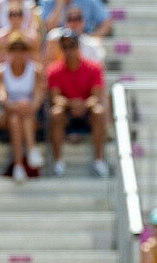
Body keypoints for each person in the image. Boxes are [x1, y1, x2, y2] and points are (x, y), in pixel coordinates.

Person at [47, 29, 108, 178]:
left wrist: (82, 105)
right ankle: (58, 162)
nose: (69, 50)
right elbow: (55, 98)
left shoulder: (94, 68)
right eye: (65, 47)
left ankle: (98, 160)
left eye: (72, 46)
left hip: (87, 111)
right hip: (67, 112)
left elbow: (96, 96)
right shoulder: (54, 70)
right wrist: (72, 105)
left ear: (78, 46)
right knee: (56, 113)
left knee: (99, 112)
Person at [0, 32, 45, 182]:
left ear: (27, 52)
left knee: (17, 119)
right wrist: (18, 105)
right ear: (9, 52)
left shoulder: (35, 71)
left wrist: (26, 106)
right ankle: (31, 149)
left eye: (22, 49)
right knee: (17, 115)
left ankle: (18, 165)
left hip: (27, 115)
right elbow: (2, 96)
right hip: (5, 115)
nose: (18, 53)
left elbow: (38, 98)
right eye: (14, 49)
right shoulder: (1, 71)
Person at [0, 1, 40, 67]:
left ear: (23, 17)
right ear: (8, 17)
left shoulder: (32, 39)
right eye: (12, 14)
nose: (15, 18)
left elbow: (36, 61)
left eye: (19, 14)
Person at [42, 0, 112, 36]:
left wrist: (94, 38)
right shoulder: (48, 2)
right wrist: (60, 4)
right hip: (59, 42)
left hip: (84, 38)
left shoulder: (89, 1)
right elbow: (49, 28)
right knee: (52, 37)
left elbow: (107, 22)